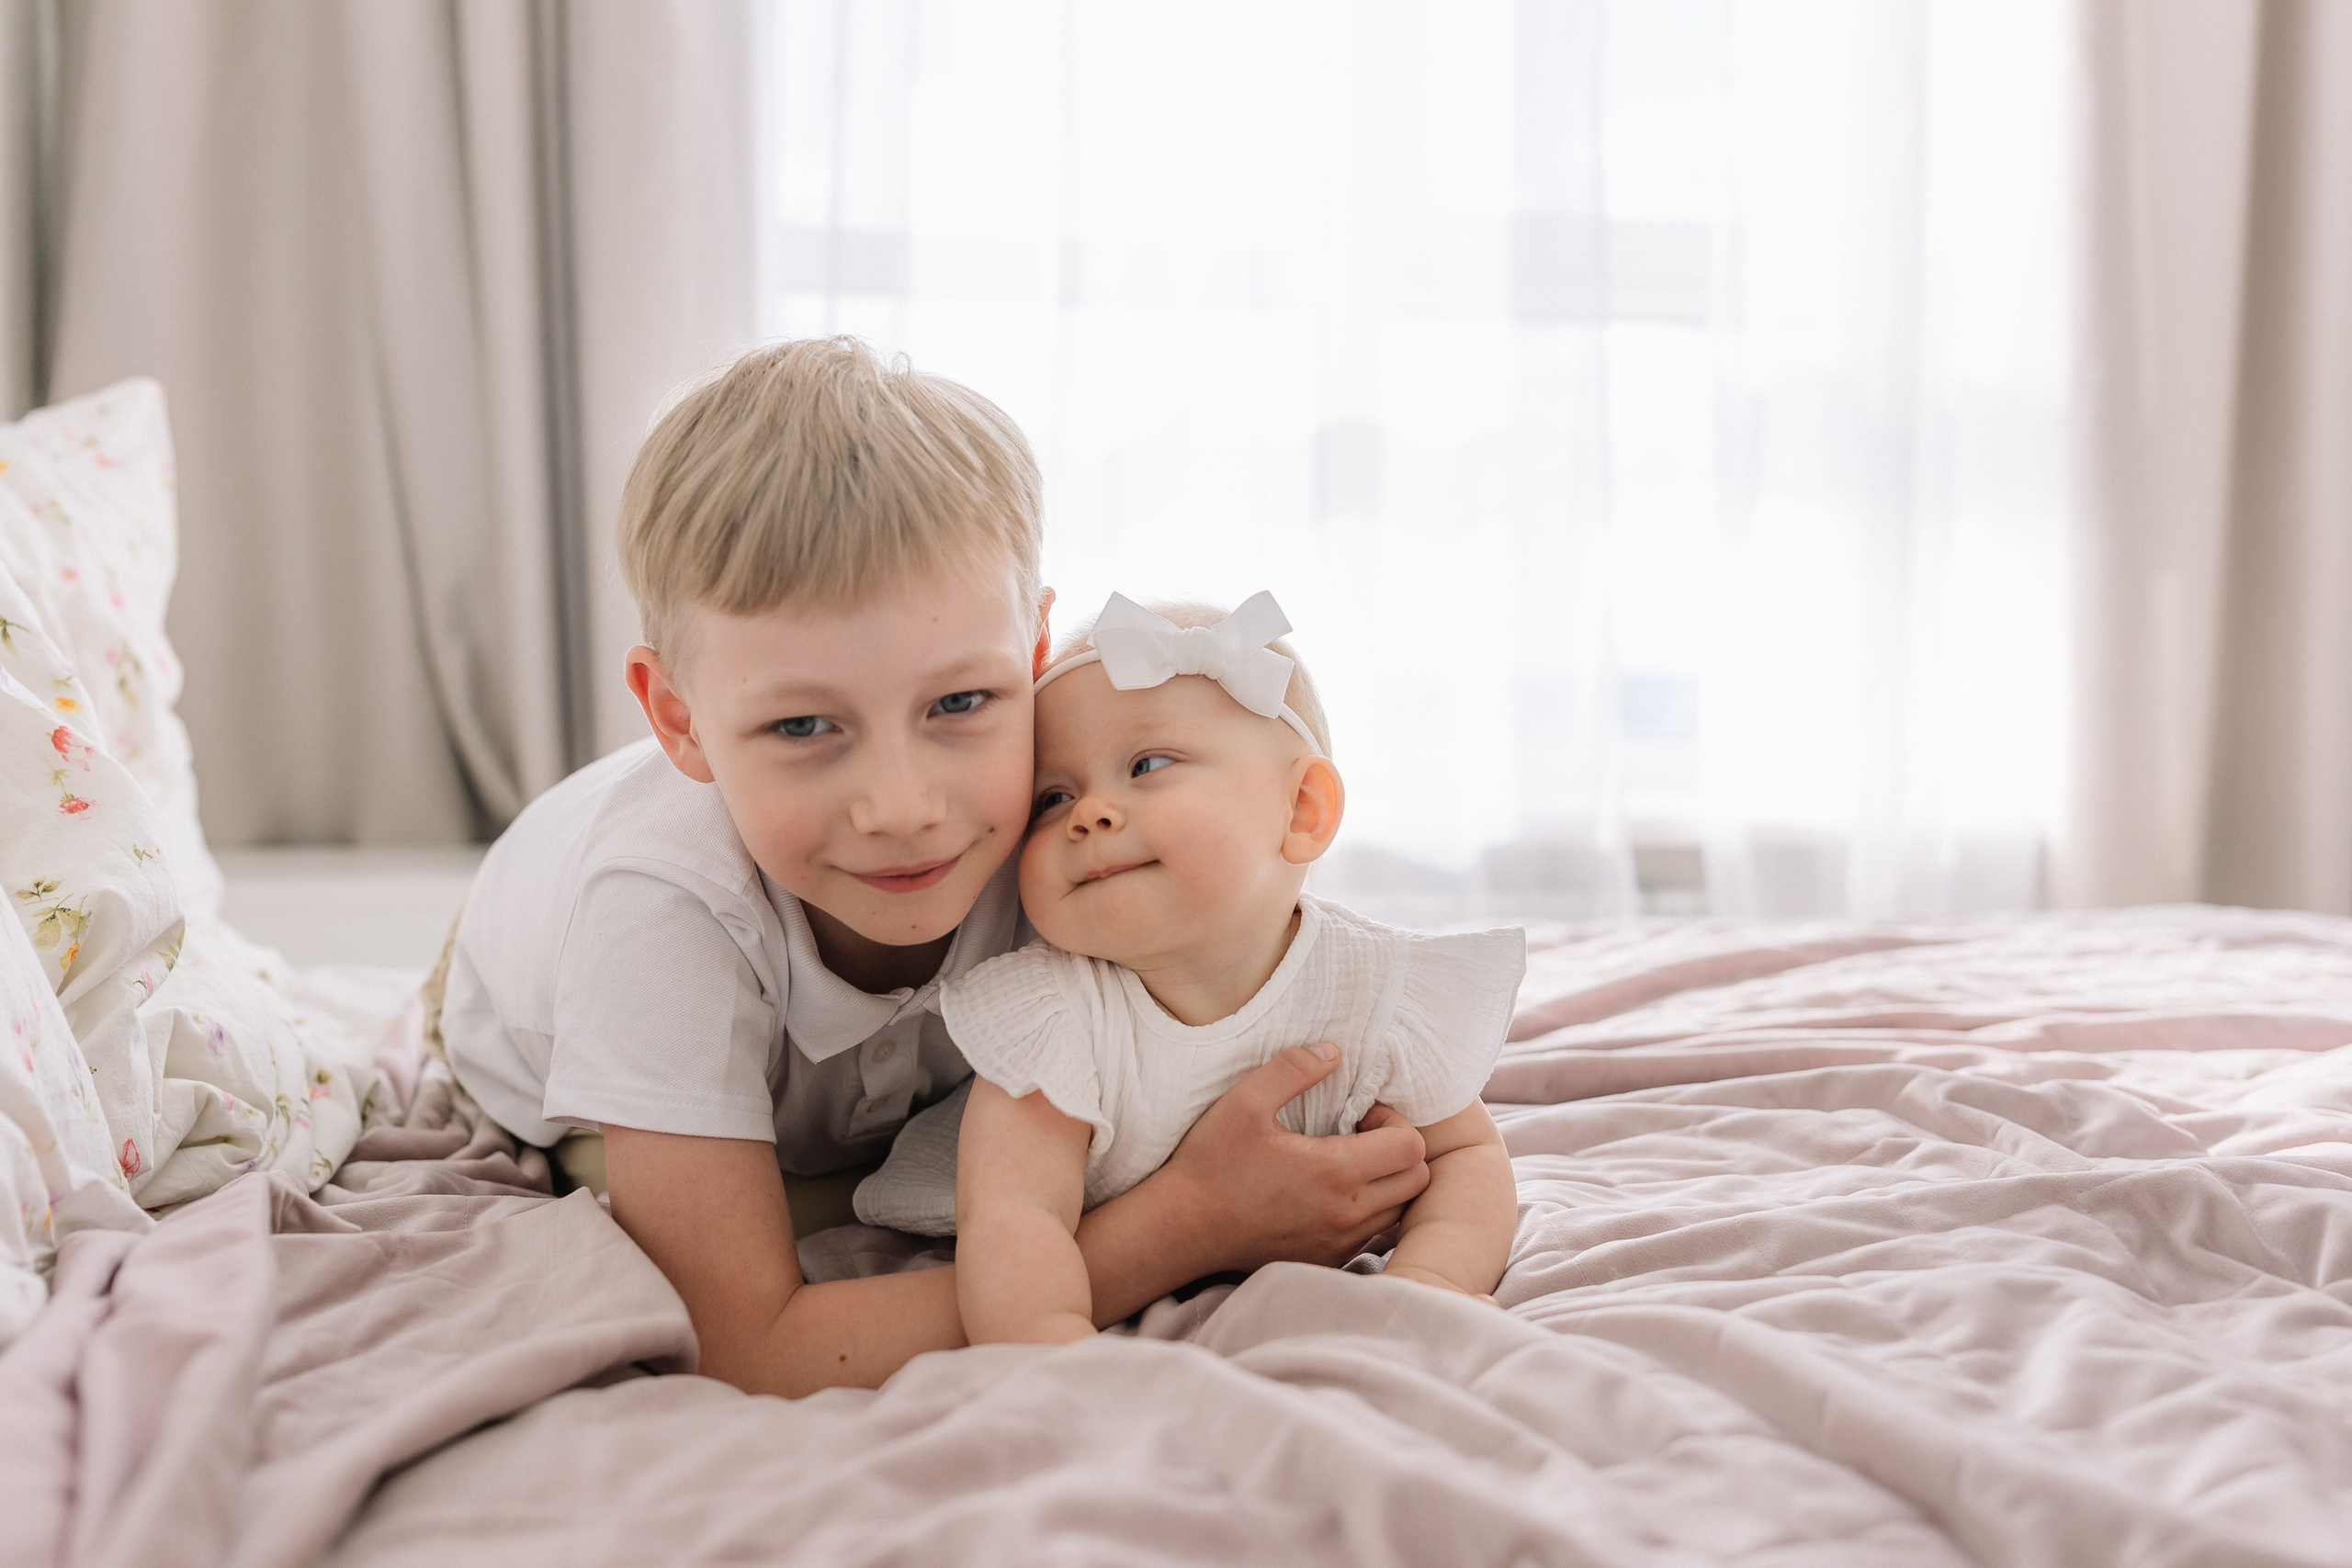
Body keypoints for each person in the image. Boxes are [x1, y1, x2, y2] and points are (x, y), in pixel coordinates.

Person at [434, 339, 1433, 1395]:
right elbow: (744, 1343)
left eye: (961, 704)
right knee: (742, 1197)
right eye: (805, 725)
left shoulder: (1060, 822)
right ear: (679, 719)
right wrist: (1187, 1222)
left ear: (1035, 649)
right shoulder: (657, 914)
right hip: (533, 1011)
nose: (904, 811)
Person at [854, 592, 1525, 1345]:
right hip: (1052, 1256)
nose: (1091, 812)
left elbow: (1465, 1153)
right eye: (1053, 795)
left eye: (1147, 763)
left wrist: (1428, 1282)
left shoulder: (1368, 987)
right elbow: (1016, 1220)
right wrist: (1052, 1344)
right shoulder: (1054, 1014)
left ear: (1302, 809)